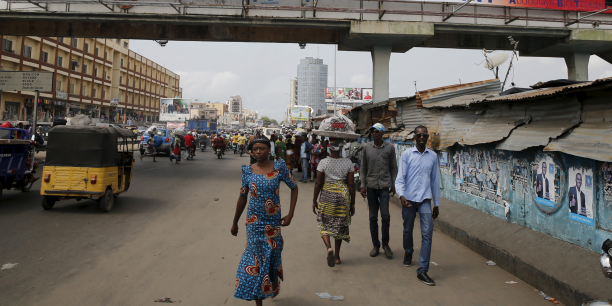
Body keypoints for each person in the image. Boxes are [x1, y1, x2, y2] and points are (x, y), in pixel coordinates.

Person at [231, 139, 298, 305]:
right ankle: (258, 299)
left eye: (262, 148)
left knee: (273, 255)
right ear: (252, 153)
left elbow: (294, 187)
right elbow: (242, 197)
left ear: (269, 150)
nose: (258, 152)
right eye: (255, 149)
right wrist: (235, 222)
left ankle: (274, 280)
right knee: (255, 261)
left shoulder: (279, 167)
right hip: (253, 223)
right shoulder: (248, 171)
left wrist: (290, 214)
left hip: (274, 222)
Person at [395, 125, 440, 286]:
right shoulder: (407, 155)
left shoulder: (433, 156)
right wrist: (401, 195)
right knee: (407, 229)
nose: (422, 137)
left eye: (424, 135)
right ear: (414, 137)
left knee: (427, 234)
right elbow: (400, 178)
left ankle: (423, 270)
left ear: (427, 138)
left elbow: (435, 181)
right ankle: (408, 252)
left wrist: (437, 204)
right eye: (419, 135)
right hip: (408, 200)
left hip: (425, 200)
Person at [312, 140, 355, 267]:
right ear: (341, 149)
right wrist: (352, 203)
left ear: (330, 149)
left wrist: (314, 200)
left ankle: (328, 248)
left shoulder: (323, 162)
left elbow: (318, 183)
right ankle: (336, 257)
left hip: (327, 195)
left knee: (323, 222)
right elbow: (351, 184)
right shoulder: (348, 162)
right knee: (339, 225)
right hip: (343, 196)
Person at [360, 123, 397, 260]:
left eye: (376, 131)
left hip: (384, 187)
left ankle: (386, 245)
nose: (374, 133)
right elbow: (363, 167)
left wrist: (394, 185)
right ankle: (376, 245)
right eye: (372, 131)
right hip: (370, 187)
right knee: (373, 217)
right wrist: (363, 185)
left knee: (386, 216)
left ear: (382, 133)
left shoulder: (390, 148)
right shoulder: (366, 148)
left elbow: (393, 167)